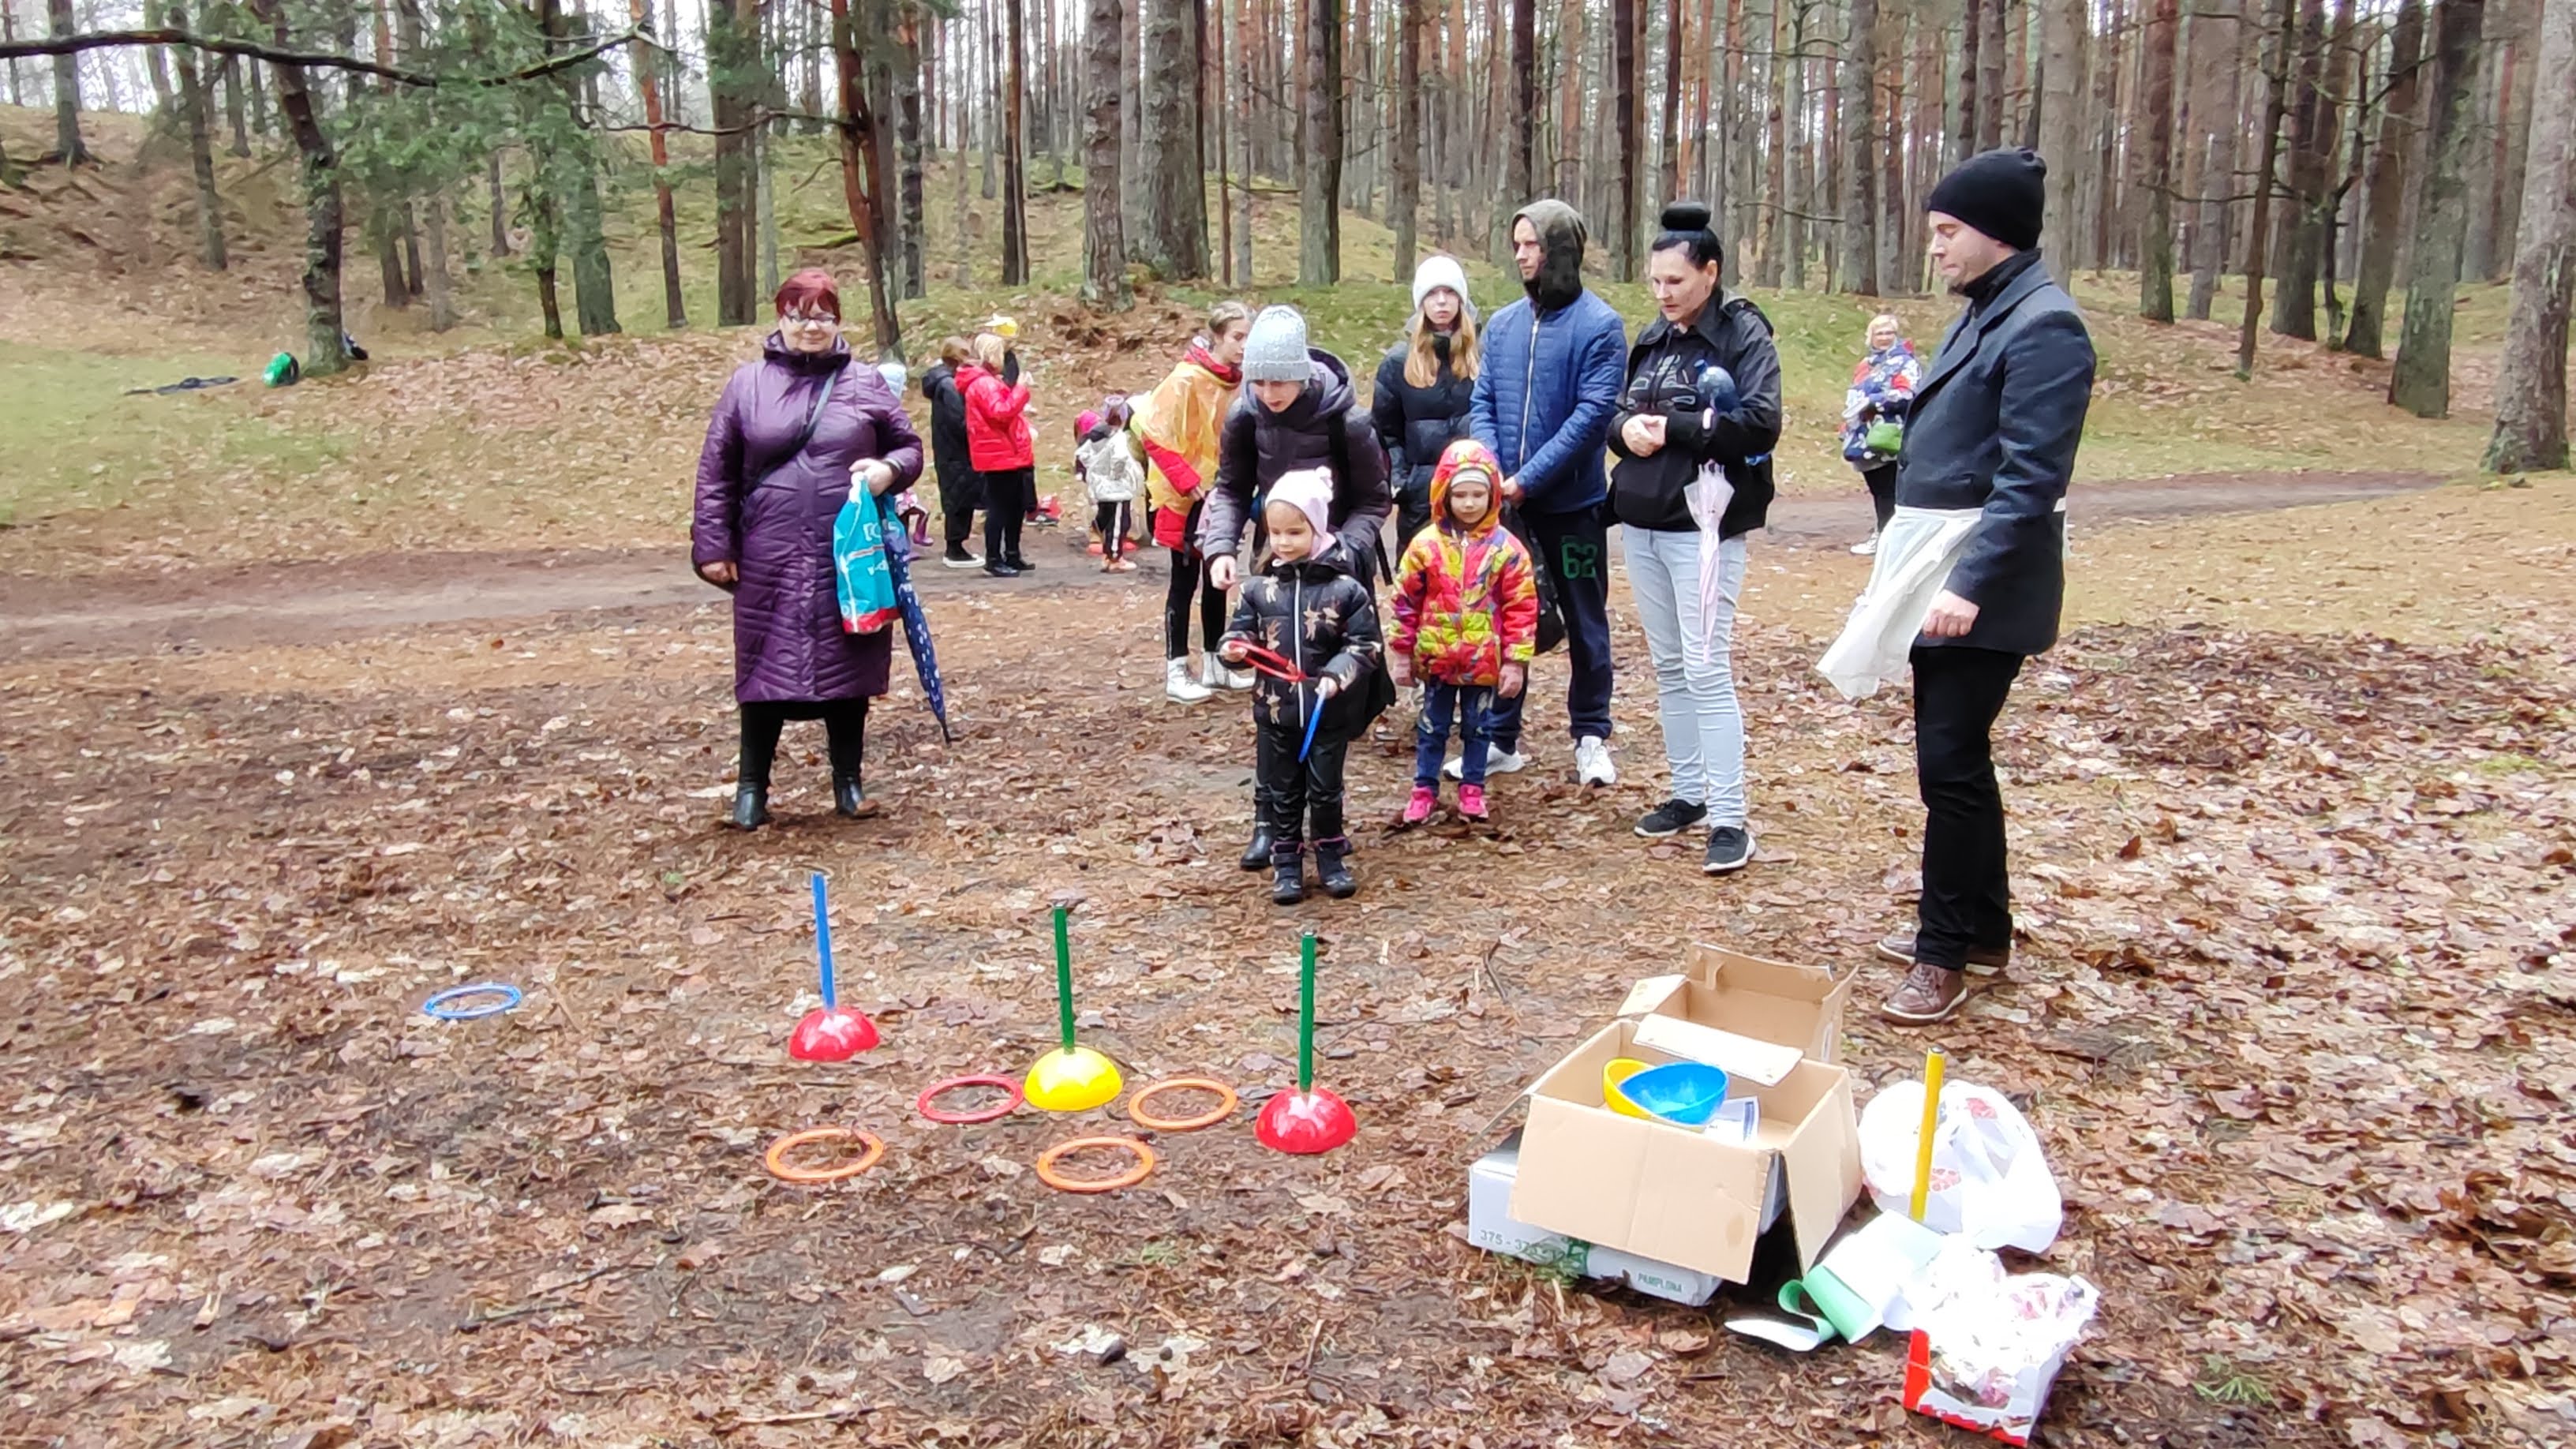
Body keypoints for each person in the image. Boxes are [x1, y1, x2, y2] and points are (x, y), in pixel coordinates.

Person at [1870, 148, 2096, 1026]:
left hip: (1984, 588)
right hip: (1941, 567)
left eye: (1947, 231)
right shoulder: (1984, 311)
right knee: (1958, 764)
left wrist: (1966, 582)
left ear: (1993, 231)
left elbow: (2032, 477)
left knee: (1950, 767)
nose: (1935, 247)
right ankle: (1985, 932)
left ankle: (1943, 955)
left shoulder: (2046, 325)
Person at [691, 268, 924, 829]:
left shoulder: (865, 382)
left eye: (822, 315)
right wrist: (713, 545)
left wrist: (887, 470)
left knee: (850, 664)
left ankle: (849, 785)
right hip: (768, 550)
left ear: (837, 320)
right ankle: (752, 792)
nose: (811, 326)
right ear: (781, 318)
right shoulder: (747, 385)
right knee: (763, 671)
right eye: (800, 314)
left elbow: (909, 446)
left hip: (847, 552)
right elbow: (715, 471)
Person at [1607, 201, 1783, 877]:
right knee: (1671, 666)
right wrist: (1624, 431)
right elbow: (1619, 410)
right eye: (1654, 282)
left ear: (1709, 273)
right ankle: (1688, 793)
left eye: (1675, 281)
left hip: (1704, 526)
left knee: (1707, 667)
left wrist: (1678, 428)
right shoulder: (1652, 338)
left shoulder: (1742, 335)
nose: (1663, 294)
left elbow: (1761, 422)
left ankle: (1731, 816)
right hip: (1644, 524)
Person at [1200, 305, 1395, 872]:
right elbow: (1232, 488)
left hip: (1335, 580)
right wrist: (1221, 549)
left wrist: (1343, 551)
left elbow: (1373, 503)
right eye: (1257, 380)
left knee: (1334, 702)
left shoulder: (1348, 422)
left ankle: (1326, 828)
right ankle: (1271, 823)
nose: (1268, 392)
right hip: (1275, 569)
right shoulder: (1245, 416)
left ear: (1303, 372)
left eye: (1278, 380)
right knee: (1273, 700)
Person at [1469, 200, 1628, 788]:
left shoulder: (1601, 327)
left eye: (1531, 244)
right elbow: (1482, 400)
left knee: (1586, 621)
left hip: (1574, 511)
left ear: (1560, 249)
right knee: (1507, 624)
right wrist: (1490, 470)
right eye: (1517, 244)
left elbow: (1591, 418)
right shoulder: (1504, 324)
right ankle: (1500, 738)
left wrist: (1528, 477)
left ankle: (1591, 735)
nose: (1521, 255)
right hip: (1506, 513)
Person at [1216, 471, 1385, 906]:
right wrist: (1234, 649)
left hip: (1326, 714)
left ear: (1318, 529)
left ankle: (1330, 855)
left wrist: (1336, 675)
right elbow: (1239, 635)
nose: (1285, 542)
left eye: (1296, 531)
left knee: (1326, 790)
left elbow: (1365, 644)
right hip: (1275, 712)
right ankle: (1286, 864)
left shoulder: (1345, 590)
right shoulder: (1257, 591)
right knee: (1282, 791)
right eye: (1276, 533)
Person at [1387, 440, 1537, 826]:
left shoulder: (1508, 550)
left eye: (1478, 494)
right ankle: (1424, 788)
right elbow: (1405, 601)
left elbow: (1521, 607)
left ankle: (1473, 787)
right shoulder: (1425, 547)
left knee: (1479, 726)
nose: (1469, 503)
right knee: (1431, 726)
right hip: (1436, 658)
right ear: (1444, 495)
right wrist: (1402, 653)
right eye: (1460, 495)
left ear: (1492, 495)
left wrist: (1515, 662)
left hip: (1484, 660)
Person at [1136, 301, 1254, 704]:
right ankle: (1177, 668)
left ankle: (1216, 663)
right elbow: (1151, 432)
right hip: (1183, 498)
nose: (1243, 346)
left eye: (1248, 338)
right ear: (1218, 336)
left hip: (1218, 495)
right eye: (1237, 337)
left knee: (1218, 578)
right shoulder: (1185, 379)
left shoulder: (1238, 383)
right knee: (1183, 583)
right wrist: (1188, 482)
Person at [1372, 254, 1481, 550]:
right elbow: (1385, 432)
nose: (1442, 302)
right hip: (1421, 497)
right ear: (1421, 303)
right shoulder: (1397, 363)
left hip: (1476, 492)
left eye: (1449, 293)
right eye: (1432, 294)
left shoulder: (1484, 356)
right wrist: (1402, 479)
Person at [1841, 315, 1923, 556]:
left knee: (1890, 489)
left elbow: (1908, 393)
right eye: (1880, 333)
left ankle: (1889, 540)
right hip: (1863, 436)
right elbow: (1855, 393)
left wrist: (1875, 401)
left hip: (1890, 435)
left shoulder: (1905, 363)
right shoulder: (1866, 365)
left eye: (1889, 333)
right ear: (1871, 337)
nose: (1885, 338)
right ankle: (1885, 533)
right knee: (1878, 488)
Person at [959, 331, 1035, 578]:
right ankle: (994, 558)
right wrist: (1021, 390)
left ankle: (1011, 553)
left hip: (1006, 452)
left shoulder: (989, 381)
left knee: (1015, 506)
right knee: (1000, 508)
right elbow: (1001, 412)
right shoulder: (984, 384)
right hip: (998, 455)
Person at [919, 337, 983, 568]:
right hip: (956, 450)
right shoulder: (948, 385)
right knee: (959, 497)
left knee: (959, 495)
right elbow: (958, 421)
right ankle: (954, 548)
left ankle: (957, 545)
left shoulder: (945, 382)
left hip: (950, 449)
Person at [1075, 397, 1142, 574]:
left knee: (1105, 516)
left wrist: (1096, 470)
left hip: (1102, 486)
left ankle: (1106, 551)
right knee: (1119, 522)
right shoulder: (1117, 437)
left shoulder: (1096, 435)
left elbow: (1082, 453)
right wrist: (1116, 475)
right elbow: (1120, 458)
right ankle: (1115, 558)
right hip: (1117, 489)